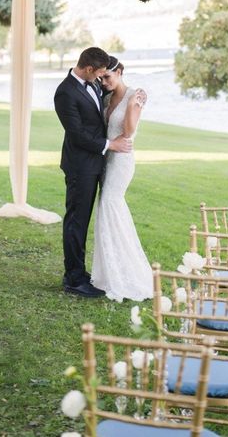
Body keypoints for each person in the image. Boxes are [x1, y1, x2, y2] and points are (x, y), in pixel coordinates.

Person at [54, 47, 132, 298]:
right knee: (77, 222)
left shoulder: (93, 84)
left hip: (96, 164)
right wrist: (111, 145)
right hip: (80, 166)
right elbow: (76, 133)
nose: (101, 77)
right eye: (99, 73)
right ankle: (74, 279)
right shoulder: (65, 92)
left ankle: (80, 271)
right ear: (88, 69)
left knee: (85, 220)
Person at [91, 56, 153, 302]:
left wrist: (130, 107)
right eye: (101, 77)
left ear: (120, 72)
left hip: (122, 162)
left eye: (107, 76)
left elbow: (128, 132)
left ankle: (127, 274)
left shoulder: (135, 96)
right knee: (105, 209)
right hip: (107, 160)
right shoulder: (105, 97)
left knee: (110, 205)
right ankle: (108, 273)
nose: (103, 81)